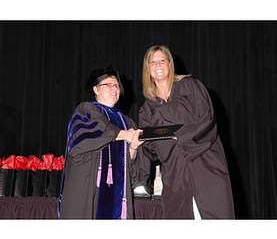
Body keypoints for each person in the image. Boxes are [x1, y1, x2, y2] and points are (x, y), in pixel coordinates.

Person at [135, 45, 235, 219]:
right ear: (147, 69)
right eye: (152, 62)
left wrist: (181, 135)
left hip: (206, 165)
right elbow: (151, 151)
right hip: (175, 177)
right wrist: (137, 145)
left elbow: (207, 118)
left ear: (170, 64)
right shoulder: (147, 108)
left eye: (162, 60)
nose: (158, 65)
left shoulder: (191, 87)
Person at [58, 65, 145, 219]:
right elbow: (85, 141)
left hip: (118, 192)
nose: (114, 88)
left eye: (117, 85)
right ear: (96, 89)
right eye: (108, 84)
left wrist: (133, 147)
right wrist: (125, 135)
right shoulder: (86, 110)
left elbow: (131, 168)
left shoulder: (127, 122)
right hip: (89, 185)